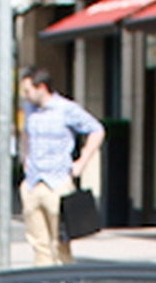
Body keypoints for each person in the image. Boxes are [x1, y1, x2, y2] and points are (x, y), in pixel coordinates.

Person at [18, 67, 102, 267]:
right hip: (32, 182)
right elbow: (24, 135)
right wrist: (25, 158)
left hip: (57, 182)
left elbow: (96, 130)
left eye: (28, 90)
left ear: (42, 87)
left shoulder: (66, 109)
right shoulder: (29, 111)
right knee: (39, 245)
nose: (26, 95)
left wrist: (81, 162)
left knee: (61, 243)